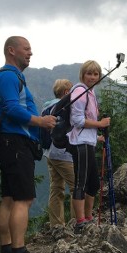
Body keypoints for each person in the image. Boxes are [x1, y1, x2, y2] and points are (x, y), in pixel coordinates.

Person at [0, 36, 56, 253]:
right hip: (16, 143)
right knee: (24, 199)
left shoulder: (10, 76)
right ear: (12, 51)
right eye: (26, 49)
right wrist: (40, 120)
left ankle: (7, 252)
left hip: (8, 143)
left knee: (9, 198)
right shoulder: (9, 76)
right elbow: (11, 108)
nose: (30, 53)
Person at [67, 60, 110, 232]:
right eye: (89, 73)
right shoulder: (80, 91)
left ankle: (89, 217)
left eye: (96, 74)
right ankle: (80, 222)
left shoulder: (90, 92)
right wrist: (100, 124)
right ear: (82, 75)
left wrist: (96, 136)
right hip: (80, 143)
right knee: (81, 182)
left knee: (92, 183)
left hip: (88, 142)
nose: (92, 77)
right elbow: (76, 120)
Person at [43, 79, 77, 228]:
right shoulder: (65, 107)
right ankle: (78, 222)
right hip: (63, 153)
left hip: (49, 153)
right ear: (66, 93)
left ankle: (56, 225)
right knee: (77, 185)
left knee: (56, 187)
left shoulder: (47, 107)